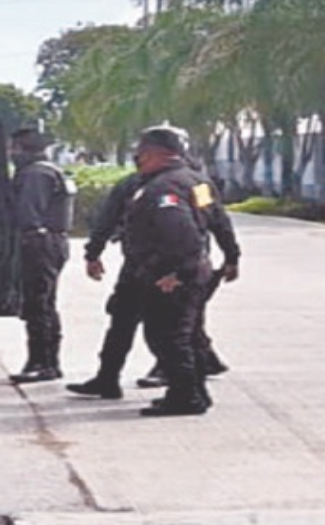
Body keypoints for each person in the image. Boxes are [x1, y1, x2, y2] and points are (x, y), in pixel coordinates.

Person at [122, 127, 217, 416]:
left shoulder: (162, 189)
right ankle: (195, 391)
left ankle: (184, 397)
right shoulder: (197, 181)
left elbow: (183, 233)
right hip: (195, 269)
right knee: (186, 336)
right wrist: (230, 254)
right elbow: (215, 219)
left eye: (141, 152)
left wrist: (179, 273)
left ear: (155, 154)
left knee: (167, 337)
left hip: (171, 277)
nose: (138, 158)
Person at [64, 170, 147, 399]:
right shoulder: (195, 182)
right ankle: (107, 378)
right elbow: (211, 217)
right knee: (124, 321)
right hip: (173, 263)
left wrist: (93, 253)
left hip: (149, 265)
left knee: (167, 328)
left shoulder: (143, 184)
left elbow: (108, 219)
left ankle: (186, 384)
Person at [7, 128, 75, 384]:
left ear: (23, 149)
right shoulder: (49, 170)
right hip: (52, 241)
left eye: (13, 148)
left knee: (38, 304)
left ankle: (42, 362)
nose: (11, 154)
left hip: (39, 242)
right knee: (43, 303)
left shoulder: (35, 174)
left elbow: (29, 213)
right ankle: (46, 361)